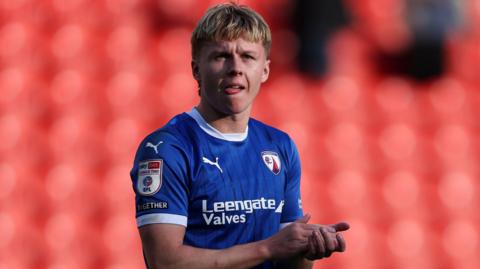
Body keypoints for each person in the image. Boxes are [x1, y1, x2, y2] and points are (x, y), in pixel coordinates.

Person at [130, 3, 350, 269]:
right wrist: (268, 248)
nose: (235, 67)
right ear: (196, 69)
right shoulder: (166, 149)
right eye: (221, 56)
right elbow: (165, 262)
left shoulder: (279, 146)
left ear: (265, 70)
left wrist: (307, 249)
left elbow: (288, 263)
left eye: (247, 56)